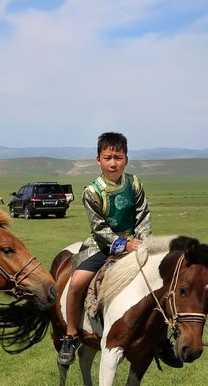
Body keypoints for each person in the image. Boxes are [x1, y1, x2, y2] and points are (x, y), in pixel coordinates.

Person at [57, 131, 154, 367]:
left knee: (160, 278)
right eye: (108, 157)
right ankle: (70, 334)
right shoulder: (92, 192)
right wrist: (124, 245)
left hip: (136, 243)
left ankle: (158, 338)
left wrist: (143, 240)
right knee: (78, 281)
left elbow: (143, 215)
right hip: (103, 246)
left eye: (118, 157)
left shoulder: (134, 183)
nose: (113, 163)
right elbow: (99, 227)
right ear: (98, 160)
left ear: (126, 160)